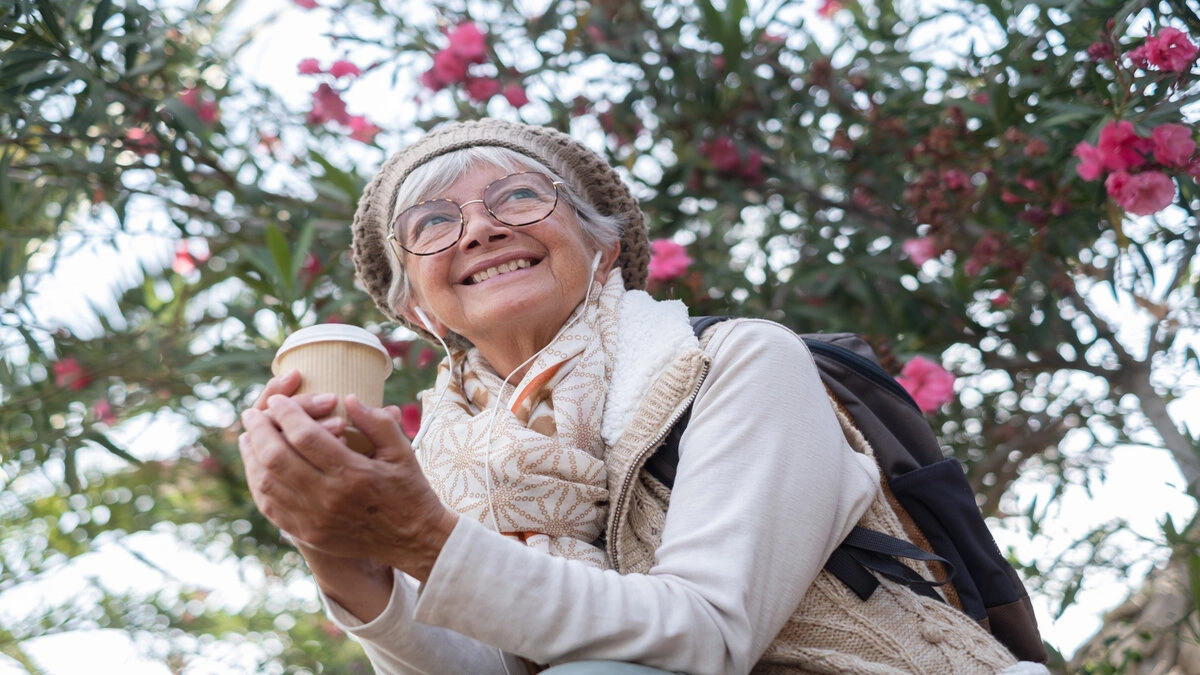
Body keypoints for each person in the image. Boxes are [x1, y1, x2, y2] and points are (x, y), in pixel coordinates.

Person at [238, 119, 1049, 674]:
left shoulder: (729, 362)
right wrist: (337, 550)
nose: (479, 230)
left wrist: (422, 539)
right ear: (416, 307)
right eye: (434, 222)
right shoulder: (444, 461)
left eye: (520, 197)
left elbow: (705, 634)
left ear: (605, 250)